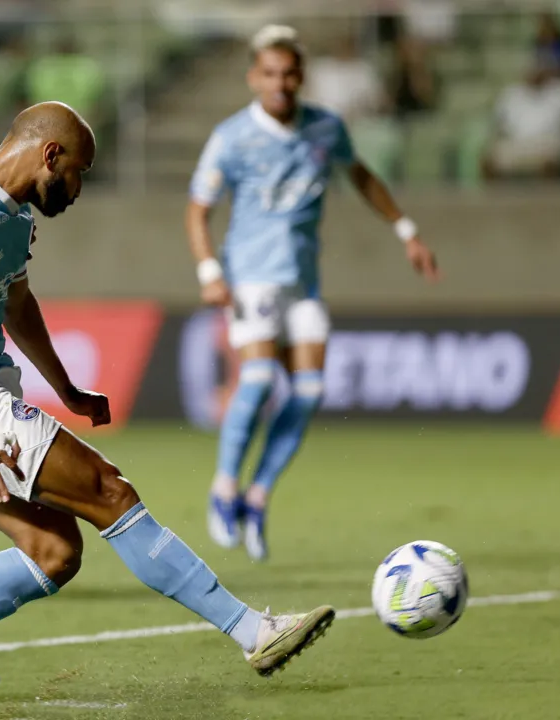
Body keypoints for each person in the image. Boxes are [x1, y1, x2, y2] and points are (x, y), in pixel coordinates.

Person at [0, 100, 337, 720]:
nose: (79, 188)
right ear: (50, 155)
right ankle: (253, 634)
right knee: (110, 491)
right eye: (79, 172)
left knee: (56, 555)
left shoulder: (14, 215)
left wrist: (65, 386)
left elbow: (16, 303)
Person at [185, 26, 439, 560]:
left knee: (308, 392)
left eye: (289, 73)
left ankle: (257, 497)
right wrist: (210, 270)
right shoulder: (232, 136)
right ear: (254, 77)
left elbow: (362, 175)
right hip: (252, 275)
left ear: (301, 76)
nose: (280, 83)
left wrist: (407, 231)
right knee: (255, 379)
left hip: (303, 281)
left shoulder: (325, 128)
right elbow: (197, 209)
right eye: (270, 73)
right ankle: (224, 488)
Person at [483, 58, 560, 182]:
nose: (535, 73)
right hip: (517, 142)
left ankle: (549, 200)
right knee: (488, 161)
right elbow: (497, 122)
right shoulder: (512, 93)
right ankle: (497, 200)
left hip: (549, 142)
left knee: (550, 162)